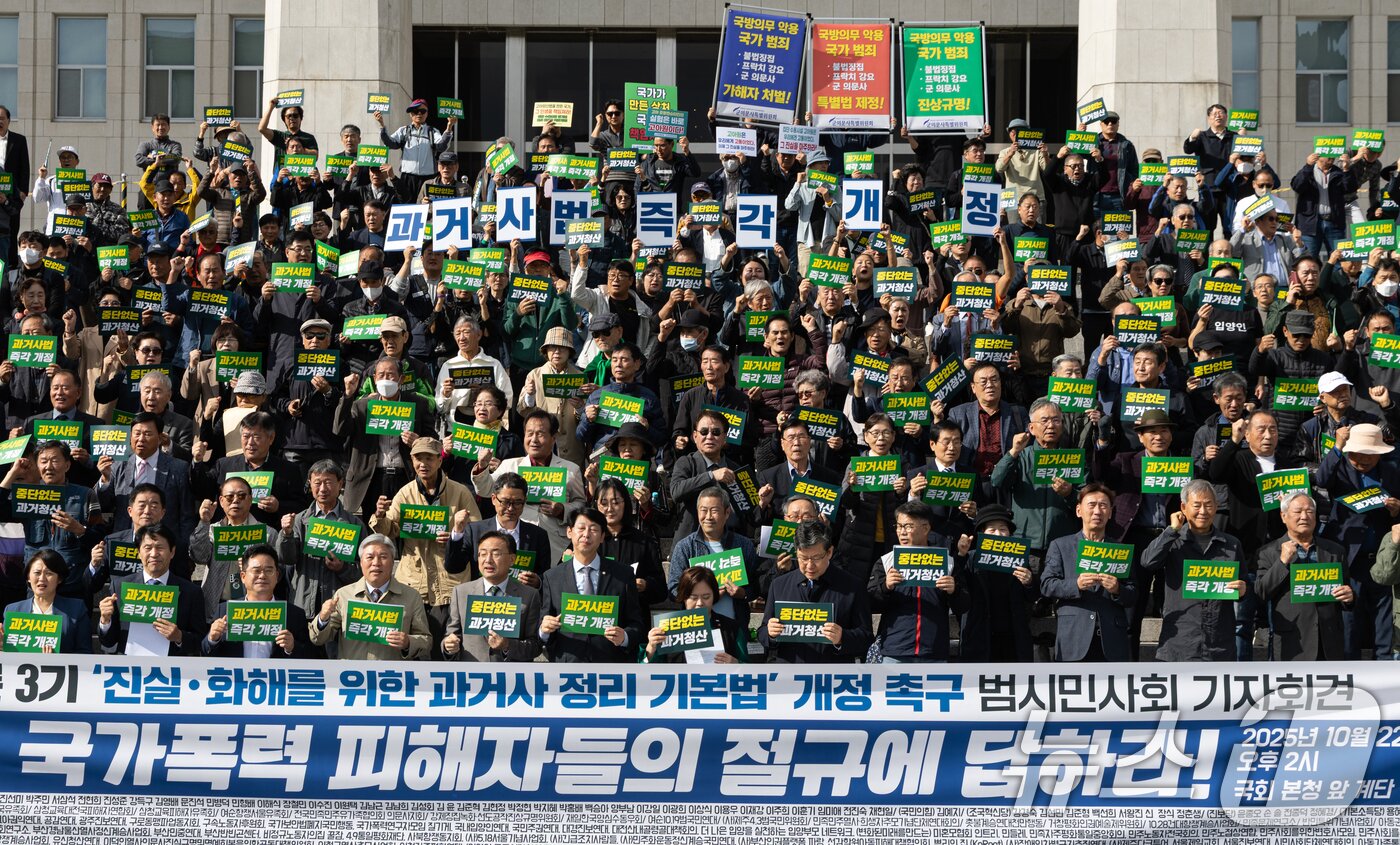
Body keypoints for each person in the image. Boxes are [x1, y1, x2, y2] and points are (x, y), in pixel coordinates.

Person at [369, 436, 480, 650]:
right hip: (413, 581)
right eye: (418, 458)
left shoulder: (460, 492)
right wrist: (380, 516)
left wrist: (455, 536)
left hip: (449, 583)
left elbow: (477, 533)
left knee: (446, 648)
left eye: (429, 458)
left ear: (440, 460)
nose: (423, 464)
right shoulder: (405, 492)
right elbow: (389, 530)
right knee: (413, 649)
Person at [1316, 423, 1400, 660]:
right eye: (1356, 457)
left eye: (1368, 458)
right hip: (1348, 556)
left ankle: (1385, 671)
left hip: (1383, 560)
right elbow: (1321, 480)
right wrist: (1338, 447)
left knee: (1385, 623)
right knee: (1349, 622)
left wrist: (1397, 511)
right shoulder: (1339, 464)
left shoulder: (1392, 470)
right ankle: (1349, 672)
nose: (1361, 462)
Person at [1139, 480, 1248, 662]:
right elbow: (1148, 562)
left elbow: (1243, 584)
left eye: (1209, 505)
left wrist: (1243, 590)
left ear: (1216, 507)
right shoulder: (1173, 541)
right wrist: (1171, 530)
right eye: (1197, 505)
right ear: (1183, 506)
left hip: (1219, 644)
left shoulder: (1232, 544)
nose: (1203, 512)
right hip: (1179, 642)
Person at [471, 408, 587, 563]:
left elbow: (581, 504)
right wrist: (482, 467)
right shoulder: (510, 465)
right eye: (529, 433)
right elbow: (485, 490)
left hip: (556, 544)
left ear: (553, 438)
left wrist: (562, 510)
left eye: (540, 434)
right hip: (517, 539)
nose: (534, 439)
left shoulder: (571, 469)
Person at [1040, 483, 1138, 662]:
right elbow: (1047, 585)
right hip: (1073, 637)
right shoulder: (1060, 545)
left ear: (1110, 513)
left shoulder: (1120, 550)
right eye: (1091, 505)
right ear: (1078, 511)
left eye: (1103, 506)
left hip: (1112, 638)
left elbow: (1132, 594)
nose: (1097, 511)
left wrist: (1117, 589)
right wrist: (1075, 585)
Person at [537, 506, 646, 663]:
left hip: (611, 665)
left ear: (602, 536)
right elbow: (543, 625)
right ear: (569, 532)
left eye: (594, 529)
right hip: (568, 667)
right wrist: (544, 630)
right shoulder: (552, 577)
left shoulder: (623, 574)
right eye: (581, 528)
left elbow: (636, 623)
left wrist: (625, 637)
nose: (586, 534)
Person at [275, 459, 366, 639]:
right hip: (304, 602)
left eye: (328, 482)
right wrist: (286, 534)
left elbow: (365, 571)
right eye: (317, 482)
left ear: (340, 484)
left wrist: (343, 568)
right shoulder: (300, 521)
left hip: (339, 607)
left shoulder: (354, 524)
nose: (323, 488)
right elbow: (287, 559)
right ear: (310, 484)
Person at [867, 501, 969, 662]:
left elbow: (963, 606)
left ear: (926, 528)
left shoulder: (946, 562)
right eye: (899, 526)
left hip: (934, 651)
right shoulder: (886, 561)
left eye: (908, 526)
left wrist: (953, 591)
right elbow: (870, 603)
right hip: (895, 650)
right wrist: (885, 587)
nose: (902, 532)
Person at [1257, 492, 1353, 661]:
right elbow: (1261, 592)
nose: (1304, 516)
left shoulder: (1335, 551)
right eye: (1298, 511)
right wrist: (1282, 562)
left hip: (1329, 643)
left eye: (1309, 511)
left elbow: (1346, 595)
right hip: (1292, 643)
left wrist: (1349, 597)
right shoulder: (1268, 552)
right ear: (1284, 516)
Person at [760, 521, 872, 664]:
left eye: (817, 558)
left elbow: (866, 637)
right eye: (804, 558)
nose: (810, 565)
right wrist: (770, 633)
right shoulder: (779, 584)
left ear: (829, 552)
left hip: (832, 676)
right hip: (790, 675)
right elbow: (762, 633)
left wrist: (842, 638)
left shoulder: (852, 586)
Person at [0, 441, 102, 595]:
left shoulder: (86, 495)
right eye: (43, 461)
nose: (48, 466)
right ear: (37, 466)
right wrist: (12, 473)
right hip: (36, 586)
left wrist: (79, 530)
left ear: (67, 465)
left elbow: (100, 539)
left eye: (54, 460)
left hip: (73, 584)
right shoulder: (28, 495)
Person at [309, 532, 432, 660]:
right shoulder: (344, 595)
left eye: (383, 557)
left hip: (389, 676)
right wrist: (323, 618)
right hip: (352, 676)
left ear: (393, 561)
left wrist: (408, 642)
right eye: (370, 557)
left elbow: (426, 641)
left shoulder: (411, 596)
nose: (376, 563)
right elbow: (317, 639)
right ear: (361, 562)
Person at [97, 525, 207, 657]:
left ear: (172, 552)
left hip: (171, 671)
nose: (154, 554)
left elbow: (201, 641)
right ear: (138, 552)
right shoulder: (119, 587)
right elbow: (108, 642)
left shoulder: (191, 592)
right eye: (148, 548)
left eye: (160, 548)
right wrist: (105, 620)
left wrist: (179, 637)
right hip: (130, 672)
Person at [989, 398, 1080, 556]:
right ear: (1031, 428)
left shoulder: (1073, 459)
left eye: (1056, 420)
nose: (1051, 426)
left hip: (1062, 543)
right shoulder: (1022, 456)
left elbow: (1085, 498)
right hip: (1026, 541)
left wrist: (1069, 493)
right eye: (1044, 420)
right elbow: (997, 481)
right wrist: (1013, 452)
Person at [442, 530, 544, 662]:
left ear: (512, 559)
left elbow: (535, 646)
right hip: (472, 674)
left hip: (510, 676)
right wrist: (448, 645)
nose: (488, 560)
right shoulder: (461, 592)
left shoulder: (529, 595)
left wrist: (507, 645)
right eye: (482, 554)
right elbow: (451, 634)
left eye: (496, 554)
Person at [201, 545, 314, 659]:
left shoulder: (294, 614)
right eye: (256, 571)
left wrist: (291, 647)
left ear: (277, 576)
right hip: (237, 676)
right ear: (243, 577)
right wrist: (212, 639)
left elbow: (309, 655)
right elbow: (205, 652)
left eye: (269, 570)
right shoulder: (224, 610)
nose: (262, 576)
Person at [96, 411, 194, 542]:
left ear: (160, 438)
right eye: (137, 434)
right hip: (125, 544)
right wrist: (105, 479)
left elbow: (186, 515)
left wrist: (182, 550)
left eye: (147, 434)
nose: (141, 439)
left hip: (163, 546)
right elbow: (103, 506)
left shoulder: (178, 468)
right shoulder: (117, 466)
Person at [447, 472, 555, 585]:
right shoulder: (475, 531)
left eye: (517, 502)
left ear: (524, 501)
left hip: (520, 599)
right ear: (493, 499)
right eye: (505, 502)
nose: (510, 508)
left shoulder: (537, 534)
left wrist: (537, 582)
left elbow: (545, 575)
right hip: (483, 599)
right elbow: (453, 567)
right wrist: (457, 532)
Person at [643, 567, 747, 664]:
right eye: (693, 597)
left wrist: (735, 663)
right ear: (684, 597)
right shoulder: (667, 629)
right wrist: (651, 648)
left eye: (706, 597)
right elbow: (645, 672)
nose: (700, 603)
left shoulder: (732, 628)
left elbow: (748, 668)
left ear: (714, 596)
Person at [0, 550, 91, 654]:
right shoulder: (13, 610)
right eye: (37, 573)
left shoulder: (76, 609)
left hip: (61, 669)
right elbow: (8, 657)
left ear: (59, 579)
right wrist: (2, 646)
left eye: (49, 573)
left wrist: (57, 660)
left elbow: (85, 653)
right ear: (28, 577)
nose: (42, 578)